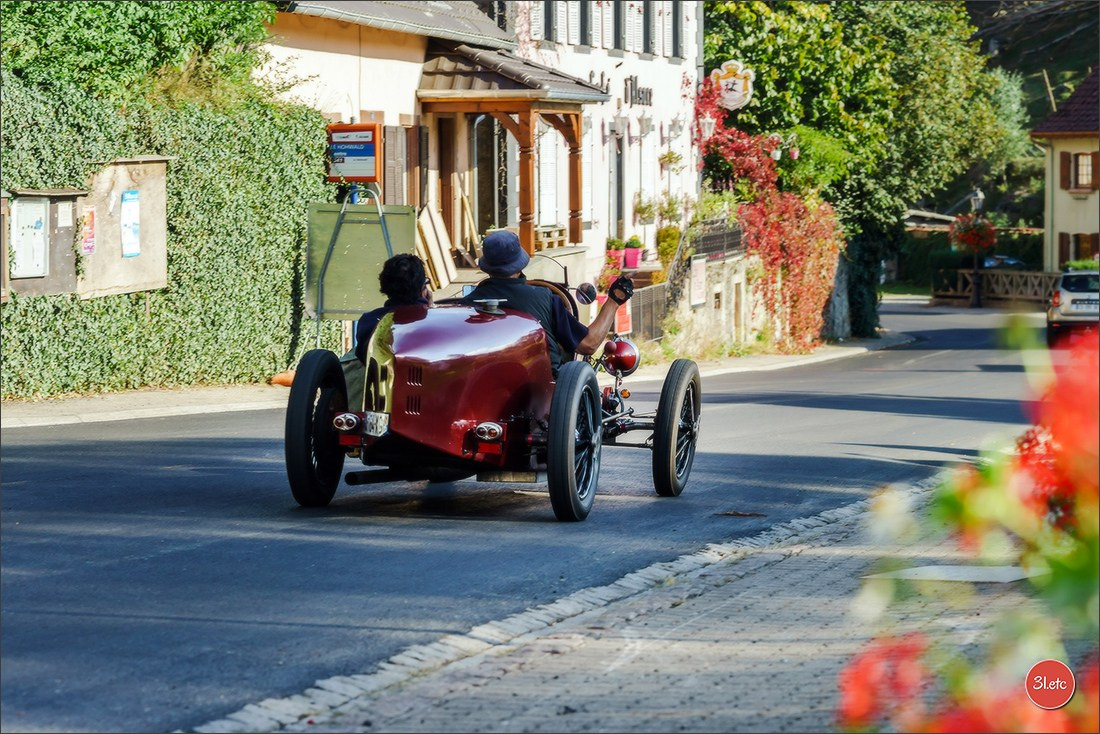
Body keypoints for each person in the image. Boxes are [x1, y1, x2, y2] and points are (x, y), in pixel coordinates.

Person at [460, 229, 633, 372]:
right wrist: (613, 301)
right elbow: (588, 345)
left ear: (487, 266)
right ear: (520, 264)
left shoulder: (465, 305)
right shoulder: (545, 299)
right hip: (545, 397)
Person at [353, 253, 432, 364]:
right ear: (422, 288)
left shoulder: (369, 321)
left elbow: (362, 356)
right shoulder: (433, 322)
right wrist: (430, 309)